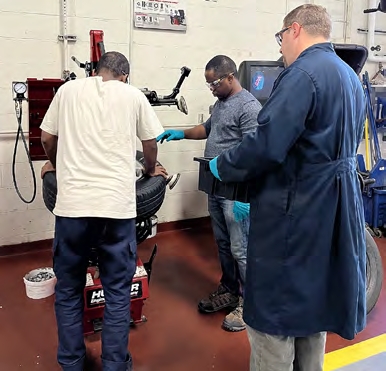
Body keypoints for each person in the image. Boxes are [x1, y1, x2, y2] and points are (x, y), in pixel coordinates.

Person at [208, 4, 367, 370]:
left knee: (274, 313)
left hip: (296, 209)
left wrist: (224, 165)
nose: (280, 48)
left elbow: (267, 145)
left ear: (295, 30)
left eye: (280, 38)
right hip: (335, 207)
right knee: (314, 304)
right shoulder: (348, 75)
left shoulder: (301, 74)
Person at [40, 51, 167, 371]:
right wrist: (151, 170)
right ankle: (114, 364)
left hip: (72, 208)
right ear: (124, 75)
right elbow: (150, 143)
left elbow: (47, 137)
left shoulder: (68, 90)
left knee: (68, 289)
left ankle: (71, 362)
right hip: (116, 209)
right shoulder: (133, 95)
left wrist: (55, 165)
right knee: (117, 291)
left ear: (97, 71)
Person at [157, 55, 262, 332]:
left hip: (236, 191)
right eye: (208, 84)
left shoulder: (249, 106)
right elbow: (207, 129)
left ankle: (250, 303)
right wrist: (179, 133)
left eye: (214, 82)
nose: (211, 88)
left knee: (241, 249)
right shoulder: (221, 103)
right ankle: (229, 290)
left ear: (230, 77)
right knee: (224, 244)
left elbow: (255, 152)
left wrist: (245, 196)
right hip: (216, 186)